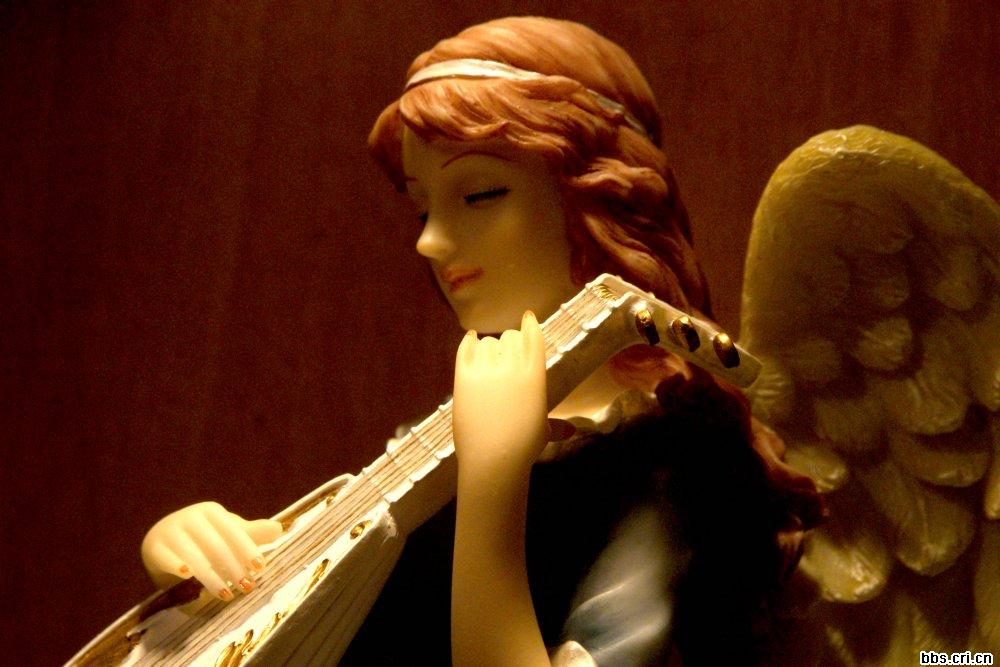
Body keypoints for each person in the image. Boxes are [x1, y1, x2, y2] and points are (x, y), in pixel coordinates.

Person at [142, 17, 821, 665]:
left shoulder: (675, 468)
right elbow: (346, 592)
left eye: (480, 194)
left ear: (598, 199)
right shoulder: (462, 419)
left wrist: (494, 482)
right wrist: (214, 559)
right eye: (422, 207)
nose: (429, 241)